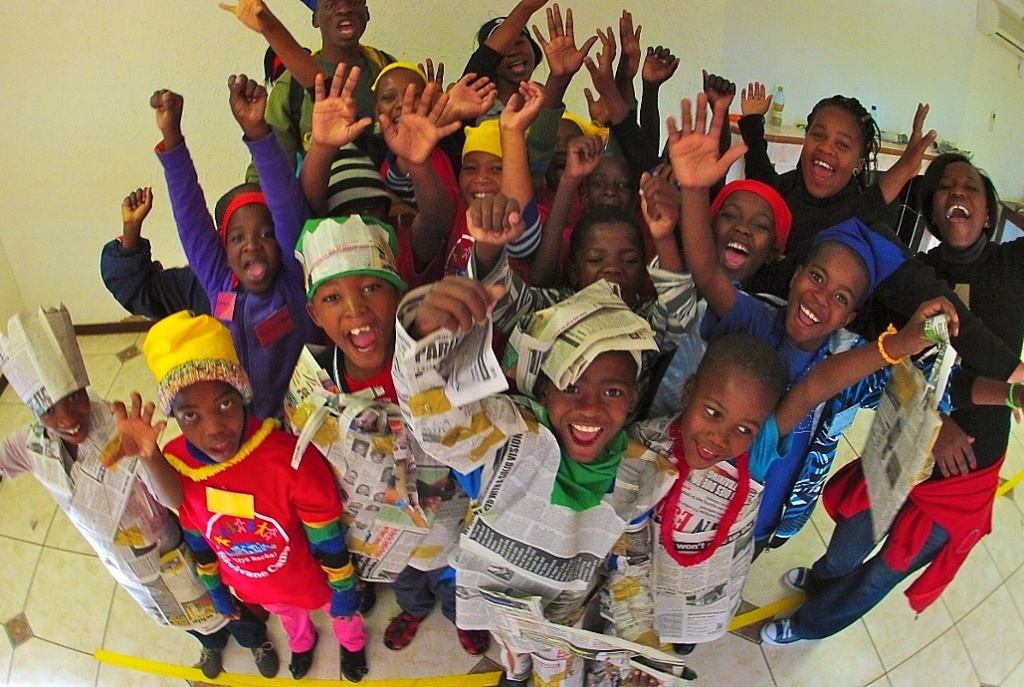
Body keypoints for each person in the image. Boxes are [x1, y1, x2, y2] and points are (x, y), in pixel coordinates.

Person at [760, 154, 1024, 646]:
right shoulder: (914, 275)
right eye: (944, 188)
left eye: (970, 186)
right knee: (848, 540)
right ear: (932, 212)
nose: (956, 193)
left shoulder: (1014, 265)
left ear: (989, 213)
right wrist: (938, 418)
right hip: (904, 436)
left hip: (964, 473)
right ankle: (822, 580)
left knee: (884, 568)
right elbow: (888, 357)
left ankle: (808, 624)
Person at [610, 296, 958, 654]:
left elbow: (814, 388)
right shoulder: (645, 442)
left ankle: (687, 639)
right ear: (688, 391)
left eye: (744, 429)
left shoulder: (755, 455)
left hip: (707, 587)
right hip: (644, 578)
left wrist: (898, 345)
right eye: (713, 412)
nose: (720, 438)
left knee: (686, 634)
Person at [393, 278, 676, 687]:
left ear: (632, 400)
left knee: (554, 671)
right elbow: (436, 425)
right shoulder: (506, 440)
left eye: (612, 391)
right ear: (545, 389)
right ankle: (514, 671)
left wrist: (642, 647)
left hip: (566, 621)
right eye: (572, 386)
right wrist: (423, 338)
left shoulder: (637, 472)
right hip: (502, 611)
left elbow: (630, 564)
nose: (591, 408)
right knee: (512, 652)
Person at [0, 307, 275, 681]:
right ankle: (209, 645)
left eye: (73, 398)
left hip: (172, 548)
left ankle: (255, 640)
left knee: (220, 606)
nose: (66, 417)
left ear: (84, 387)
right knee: (181, 617)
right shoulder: (32, 444)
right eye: (48, 410)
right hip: (127, 566)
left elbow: (172, 500)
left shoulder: (121, 427)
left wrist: (150, 456)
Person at [123, 311, 368, 681]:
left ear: (242, 395)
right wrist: (216, 590)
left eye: (224, 404)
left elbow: (327, 536)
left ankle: (352, 646)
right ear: (174, 416)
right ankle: (302, 645)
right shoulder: (177, 464)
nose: (215, 429)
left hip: (309, 576)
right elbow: (196, 535)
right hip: (257, 584)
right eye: (191, 415)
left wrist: (345, 588)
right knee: (289, 619)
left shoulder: (287, 457)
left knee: (343, 614)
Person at [288, 214, 491, 655]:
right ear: (314, 313)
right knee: (408, 584)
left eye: (371, 288)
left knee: (456, 579)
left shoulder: (430, 358)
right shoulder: (317, 380)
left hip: (451, 525)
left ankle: (461, 618)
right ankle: (414, 611)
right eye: (332, 297)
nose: (355, 310)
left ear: (398, 293)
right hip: (385, 542)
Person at [736, 86, 1024, 387]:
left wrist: (1012, 371)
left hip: (798, 382)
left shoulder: (868, 230)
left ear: (860, 163)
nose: (827, 148)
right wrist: (752, 123)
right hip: (735, 339)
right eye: (818, 135)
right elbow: (761, 184)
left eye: (843, 144)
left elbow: (936, 299)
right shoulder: (786, 188)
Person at [152, 75, 323, 420]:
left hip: (301, 421)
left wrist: (257, 131)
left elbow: (285, 206)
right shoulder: (220, 281)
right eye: (237, 238)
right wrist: (172, 140)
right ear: (223, 249)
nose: (252, 246)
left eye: (265, 234)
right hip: (242, 425)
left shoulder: (292, 277)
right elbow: (190, 218)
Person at [469, 186, 695, 411]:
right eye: (596, 260)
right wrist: (489, 243)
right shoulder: (554, 306)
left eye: (629, 260)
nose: (613, 269)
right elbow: (504, 303)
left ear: (643, 271)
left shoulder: (645, 318)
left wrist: (663, 237)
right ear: (574, 272)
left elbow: (679, 316)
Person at [647, 177, 792, 418]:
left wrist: (694, 186)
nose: (742, 228)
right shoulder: (671, 273)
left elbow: (708, 278)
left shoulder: (758, 316)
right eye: (730, 216)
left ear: (774, 253)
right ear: (709, 226)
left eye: (761, 226)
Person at [240, 0, 396, 182]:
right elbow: (271, 173)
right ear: (315, 19)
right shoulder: (291, 86)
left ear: (367, 14)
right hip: (321, 204)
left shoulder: (388, 69)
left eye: (354, 2)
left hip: (385, 201)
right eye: (331, 4)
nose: (344, 9)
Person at [100, 187, 210, 319]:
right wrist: (132, 227)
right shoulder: (201, 282)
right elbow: (139, 290)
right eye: (237, 238)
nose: (243, 247)